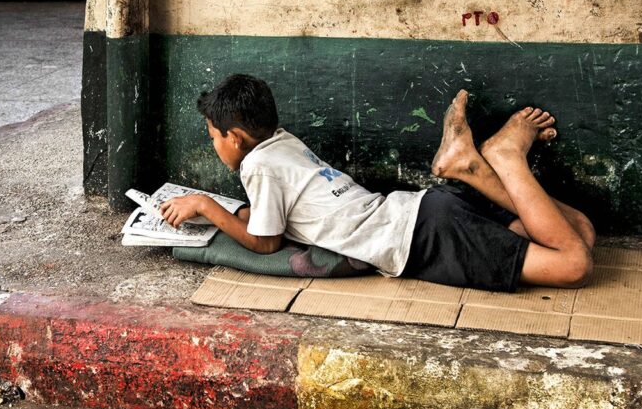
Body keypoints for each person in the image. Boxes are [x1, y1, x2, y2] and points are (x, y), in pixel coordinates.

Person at [159, 74, 595, 292]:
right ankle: (469, 169)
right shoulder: (282, 142)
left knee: (573, 264)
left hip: (423, 238)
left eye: (212, 137)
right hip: (424, 208)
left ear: (234, 138)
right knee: (581, 233)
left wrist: (205, 205)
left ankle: (504, 158)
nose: (215, 145)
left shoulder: (258, 167)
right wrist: (236, 212)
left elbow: (266, 243)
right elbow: (276, 215)